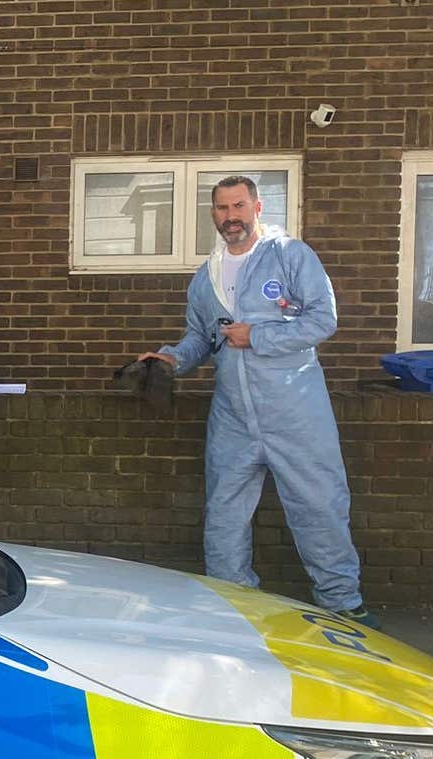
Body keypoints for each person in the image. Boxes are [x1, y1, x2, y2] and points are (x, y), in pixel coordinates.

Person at [137, 175, 370, 625]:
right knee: (224, 513)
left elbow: (324, 320)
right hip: (234, 416)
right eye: (223, 209)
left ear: (258, 208)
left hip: (296, 410)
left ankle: (345, 606)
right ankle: (233, 607)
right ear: (213, 215)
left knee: (319, 506)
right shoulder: (206, 278)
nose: (231, 217)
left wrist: (257, 335)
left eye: (239, 206)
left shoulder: (290, 257)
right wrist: (169, 359)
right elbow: (201, 339)